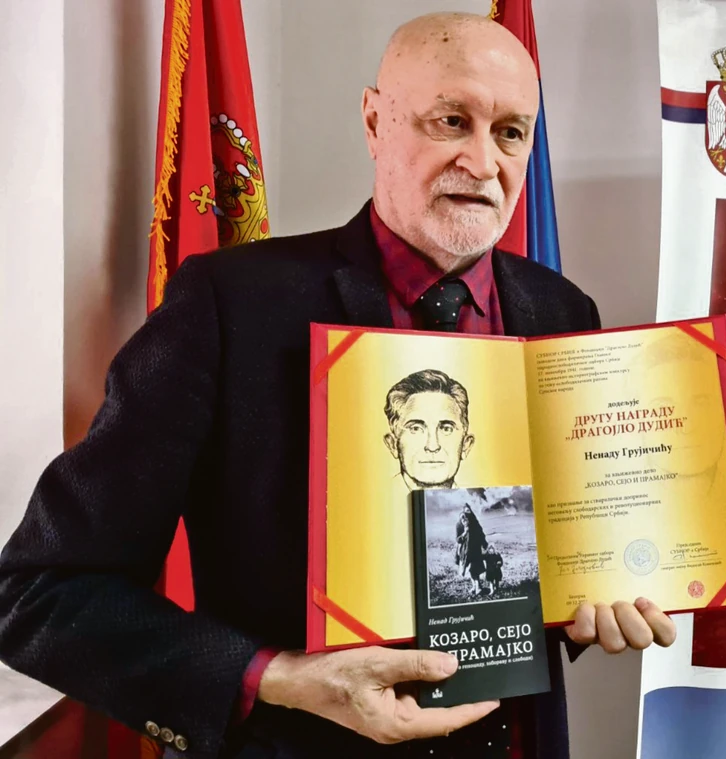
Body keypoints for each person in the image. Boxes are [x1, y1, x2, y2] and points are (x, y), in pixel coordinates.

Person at [0, 11, 676, 759]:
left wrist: (601, 594)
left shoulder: (562, 312)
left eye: (511, 132)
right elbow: (40, 592)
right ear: (375, 121)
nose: (483, 162)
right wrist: (279, 677)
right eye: (452, 121)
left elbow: (551, 568)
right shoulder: (229, 306)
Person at [384, 369, 474, 491]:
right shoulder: (369, 499)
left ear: (465, 445)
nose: (432, 446)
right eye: (416, 428)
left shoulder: (482, 502)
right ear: (393, 444)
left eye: (446, 429)